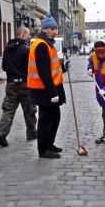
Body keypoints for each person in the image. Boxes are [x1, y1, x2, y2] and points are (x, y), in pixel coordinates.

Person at [27, 14, 70, 159]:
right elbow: (44, 72)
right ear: (44, 30)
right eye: (52, 29)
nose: (55, 31)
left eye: (55, 28)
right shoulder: (41, 45)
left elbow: (52, 67)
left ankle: (49, 143)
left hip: (51, 87)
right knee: (46, 120)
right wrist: (52, 93)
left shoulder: (48, 44)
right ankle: (43, 149)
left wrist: (63, 66)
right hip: (44, 90)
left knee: (55, 117)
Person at [0, 27, 37, 147]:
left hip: (11, 84)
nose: (29, 37)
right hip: (24, 84)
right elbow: (31, 67)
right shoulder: (26, 49)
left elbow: (3, 66)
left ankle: (2, 133)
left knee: (8, 110)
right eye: (28, 35)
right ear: (23, 35)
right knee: (29, 110)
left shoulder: (7, 49)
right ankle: (31, 133)